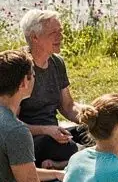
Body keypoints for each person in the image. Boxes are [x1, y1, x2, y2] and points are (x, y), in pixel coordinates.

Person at [0, 49, 64, 182]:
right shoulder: (15, 131)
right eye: (33, 75)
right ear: (24, 83)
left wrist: (55, 173)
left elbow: (15, 170)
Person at [18, 9, 87, 169]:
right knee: (69, 147)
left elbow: (67, 106)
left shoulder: (57, 62)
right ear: (34, 37)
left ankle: (57, 164)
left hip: (55, 133)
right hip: (30, 138)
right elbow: (11, 124)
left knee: (96, 133)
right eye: (53, 33)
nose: (60, 37)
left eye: (60, 31)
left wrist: (92, 118)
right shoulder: (19, 67)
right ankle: (80, 157)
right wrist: (46, 130)